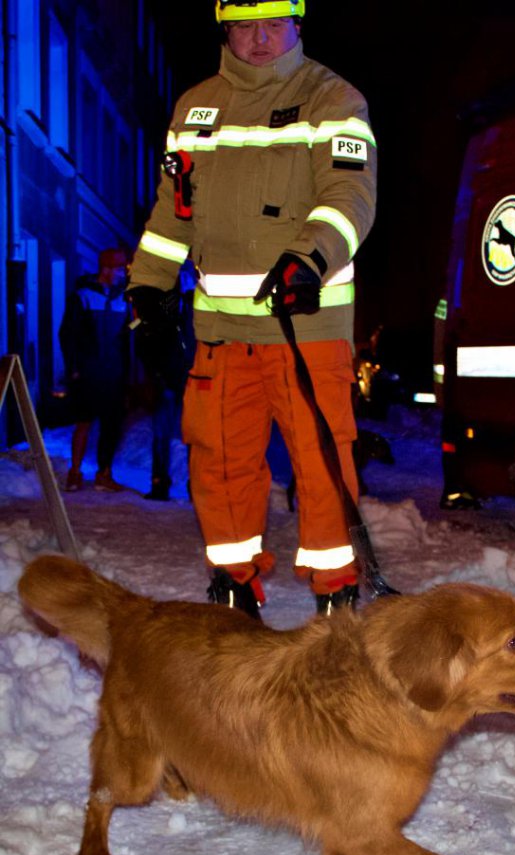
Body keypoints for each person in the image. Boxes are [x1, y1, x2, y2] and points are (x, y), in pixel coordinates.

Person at [127, 0, 376, 617]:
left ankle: (336, 594)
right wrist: (148, 289)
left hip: (304, 329)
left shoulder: (333, 99)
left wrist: (309, 259)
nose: (259, 40)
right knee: (219, 464)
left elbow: (351, 196)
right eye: (245, 26)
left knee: (321, 467)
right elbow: (172, 213)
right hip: (219, 332)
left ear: (297, 25)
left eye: (273, 25)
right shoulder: (194, 108)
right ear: (225, 28)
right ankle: (233, 586)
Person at [60, 248, 130, 493]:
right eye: (119, 269)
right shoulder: (83, 296)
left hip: (113, 372)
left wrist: (127, 371)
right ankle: (75, 472)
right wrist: (75, 368)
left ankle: (104, 473)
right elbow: (68, 335)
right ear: (106, 269)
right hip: (89, 371)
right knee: (84, 422)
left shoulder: (124, 298)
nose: (122, 273)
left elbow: (127, 336)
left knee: (111, 424)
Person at [133, 260, 197, 501]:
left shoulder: (192, 306)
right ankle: (161, 483)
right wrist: (154, 373)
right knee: (163, 434)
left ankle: (194, 485)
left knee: (192, 433)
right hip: (167, 379)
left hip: (189, 377)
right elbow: (144, 340)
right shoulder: (159, 307)